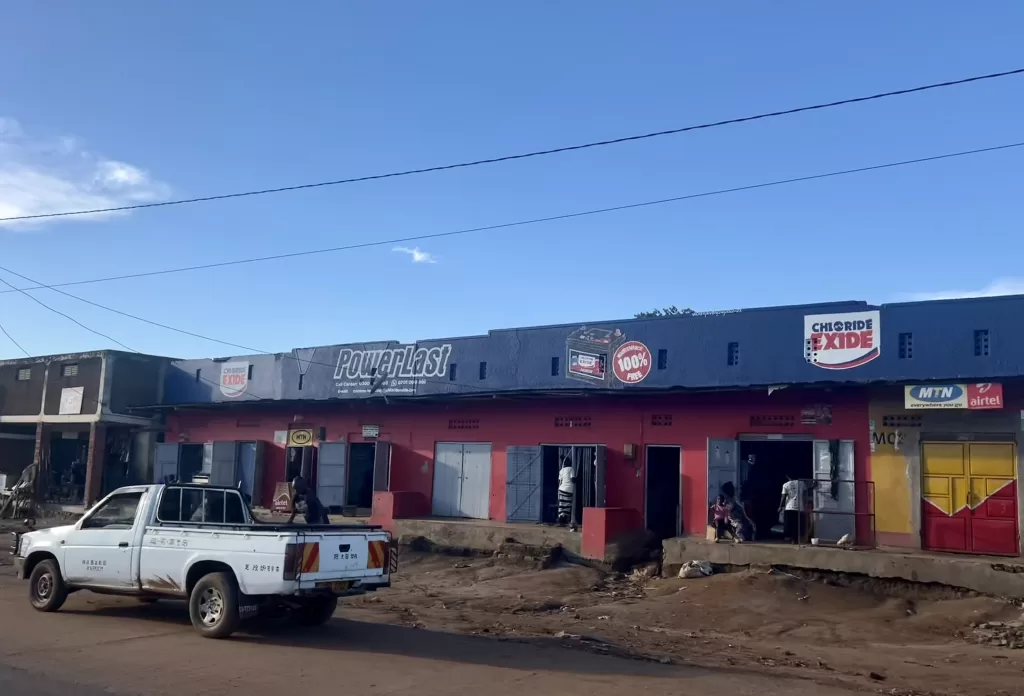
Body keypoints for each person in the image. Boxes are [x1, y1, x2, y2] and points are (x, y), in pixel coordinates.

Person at [778, 473, 806, 543]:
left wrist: (780, 506)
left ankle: (789, 538)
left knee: (789, 524)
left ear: (787, 477)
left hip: (789, 507)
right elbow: (806, 493)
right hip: (799, 507)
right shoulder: (802, 483)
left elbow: (783, 497)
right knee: (797, 524)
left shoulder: (786, 485)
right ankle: (795, 539)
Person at [557, 461, 574, 526]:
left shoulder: (561, 470)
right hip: (569, 490)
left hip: (561, 489)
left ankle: (560, 520)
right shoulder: (571, 469)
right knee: (567, 506)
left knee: (561, 505)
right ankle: (564, 520)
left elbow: (559, 481)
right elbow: (573, 479)